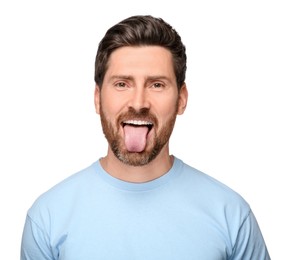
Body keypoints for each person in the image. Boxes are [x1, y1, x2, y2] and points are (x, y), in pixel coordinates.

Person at [21, 15, 270, 259]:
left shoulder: (231, 214)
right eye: (122, 84)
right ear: (97, 98)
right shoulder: (48, 217)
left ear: (181, 99)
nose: (139, 103)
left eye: (156, 85)